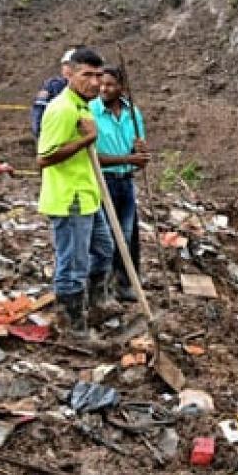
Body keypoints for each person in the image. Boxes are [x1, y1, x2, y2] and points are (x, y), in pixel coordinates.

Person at [37, 47, 111, 343]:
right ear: (71, 74)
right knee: (73, 265)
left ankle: (95, 305)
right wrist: (87, 138)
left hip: (89, 196)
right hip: (70, 200)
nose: (95, 83)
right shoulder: (61, 109)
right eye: (87, 75)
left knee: (104, 251)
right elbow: (44, 158)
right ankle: (72, 325)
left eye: (98, 76)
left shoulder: (85, 106)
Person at [89, 66, 149, 303]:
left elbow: (137, 151)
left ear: (122, 88)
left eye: (110, 85)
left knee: (128, 234)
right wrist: (128, 159)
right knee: (105, 238)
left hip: (125, 182)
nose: (104, 88)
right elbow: (91, 155)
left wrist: (140, 155)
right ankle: (99, 288)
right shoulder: (91, 111)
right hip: (104, 181)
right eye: (102, 84)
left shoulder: (132, 113)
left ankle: (125, 284)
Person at [30, 46, 77, 140]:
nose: (67, 69)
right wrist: (41, 135)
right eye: (66, 65)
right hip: (54, 137)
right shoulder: (53, 85)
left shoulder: (88, 88)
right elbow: (39, 109)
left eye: (71, 65)